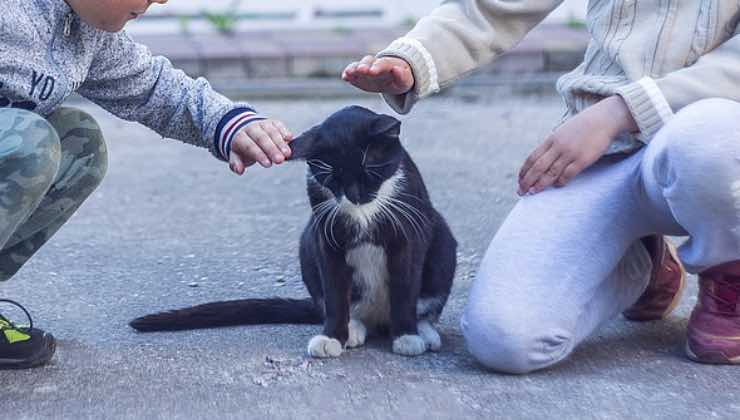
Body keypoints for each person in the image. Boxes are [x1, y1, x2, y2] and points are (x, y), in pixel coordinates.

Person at [344, 0, 740, 372]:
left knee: (710, 139)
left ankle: (728, 270)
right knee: (505, 339)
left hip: (708, 140)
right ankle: (642, 263)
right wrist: (411, 59)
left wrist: (625, 109)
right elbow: (490, 9)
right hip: (599, 153)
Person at [0, 0, 294, 369]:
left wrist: (227, 123)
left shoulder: (85, 33)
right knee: (30, 141)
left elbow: (154, 88)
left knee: (80, 142)